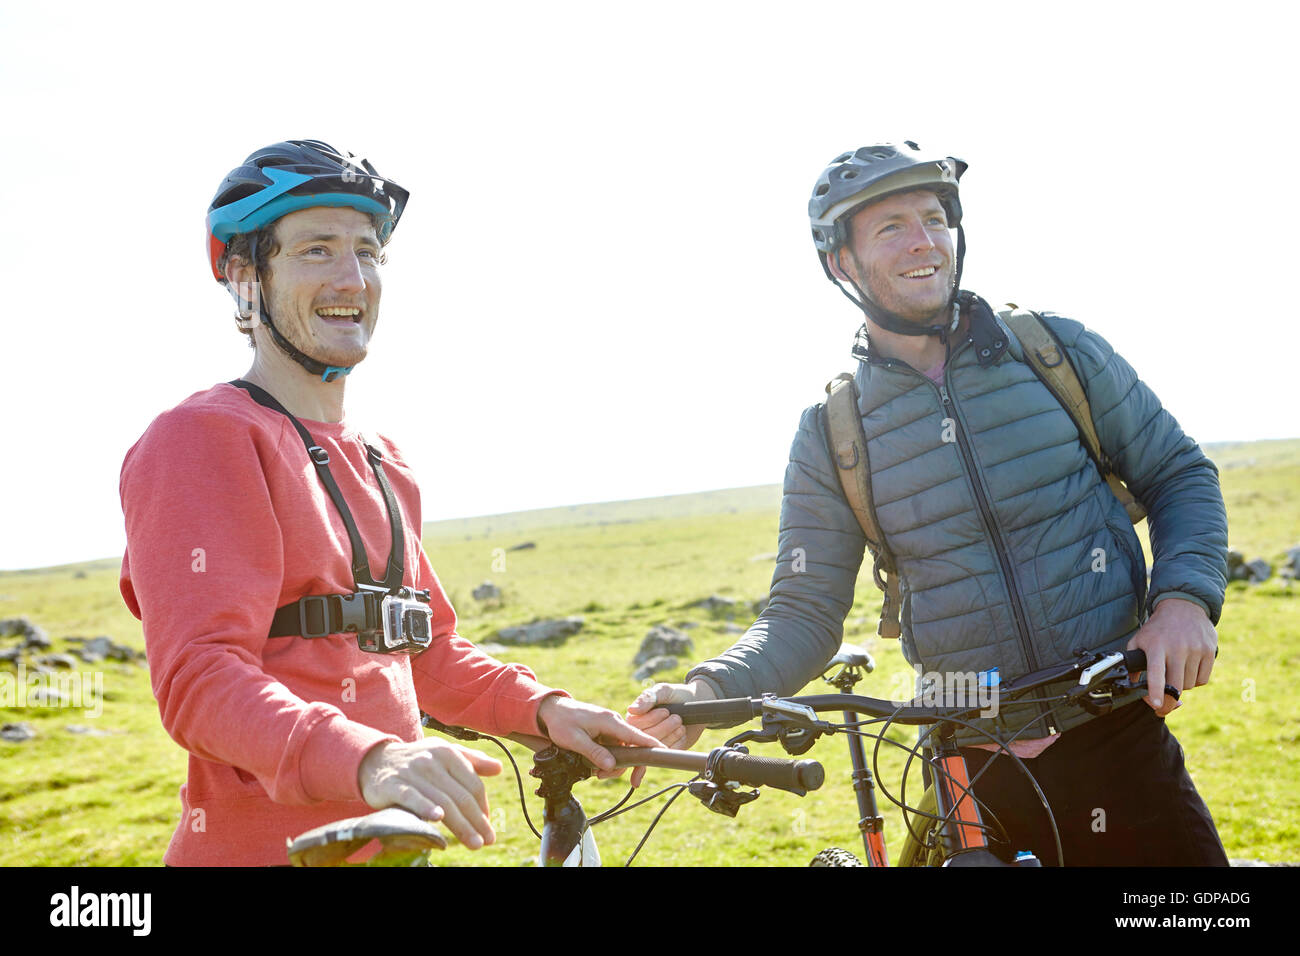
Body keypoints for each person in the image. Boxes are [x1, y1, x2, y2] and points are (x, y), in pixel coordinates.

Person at [628, 142, 1230, 866]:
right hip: (969, 759)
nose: (924, 240)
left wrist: (1184, 601)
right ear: (841, 263)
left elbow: (1178, 473)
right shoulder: (834, 431)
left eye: (934, 218)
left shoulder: (1054, 350)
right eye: (890, 227)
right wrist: (708, 687)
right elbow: (804, 611)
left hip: (1118, 733)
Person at [120, 140, 656, 866]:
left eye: (368, 252)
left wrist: (545, 709)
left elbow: (424, 652)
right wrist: (372, 759)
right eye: (315, 250)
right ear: (246, 282)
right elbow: (199, 678)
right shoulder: (202, 439)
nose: (353, 276)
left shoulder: (382, 458)